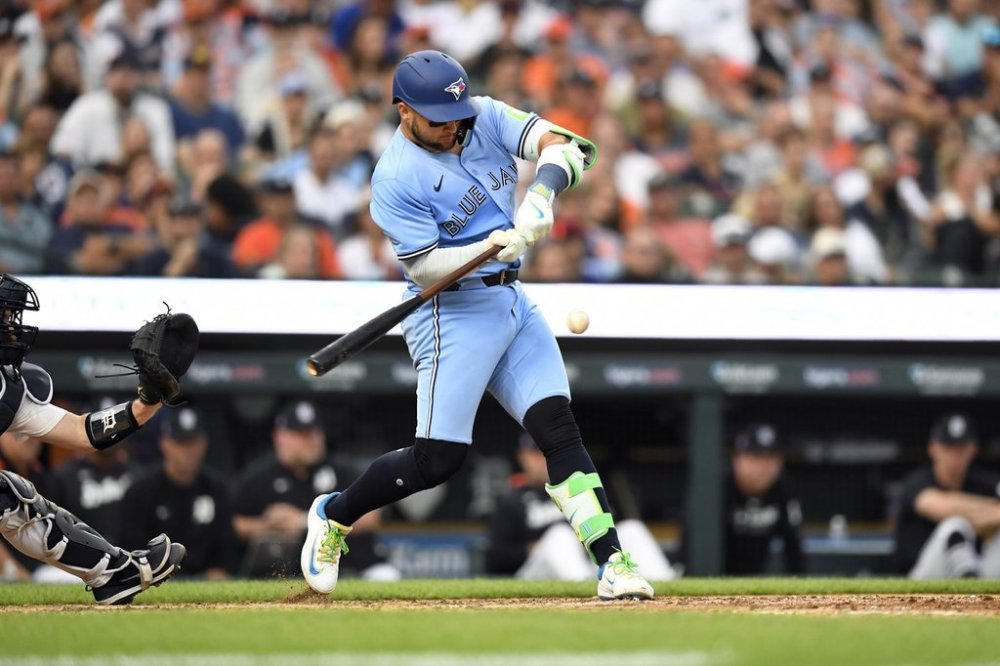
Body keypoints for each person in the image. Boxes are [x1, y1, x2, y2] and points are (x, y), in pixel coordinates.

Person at [301, 50, 653, 600]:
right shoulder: (394, 176)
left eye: (455, 112)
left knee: (557, 428)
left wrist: (542, 192)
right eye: (437, 116)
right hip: (450, 311)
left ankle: (613, 564)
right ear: (403, 112)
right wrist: (488, 245)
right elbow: (424, 266)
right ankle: (334, 515)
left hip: (511, 301)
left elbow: (573, 146)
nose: (452, 125)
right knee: (437, 460)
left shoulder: (482, 115)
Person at [0, 273, 186, 604]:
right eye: (3, 318)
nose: (11, 329)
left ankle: (117, 573)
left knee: (11, 495)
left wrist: (148, 402)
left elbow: (81, 432)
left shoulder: (6, 387)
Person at [233, 399, 395, 580]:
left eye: (312, 433)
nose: (309, 441)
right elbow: (235, 523)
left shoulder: (342, 471)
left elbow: (372, 517)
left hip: (356, 568)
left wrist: (303, 522)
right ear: (279, 437)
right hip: (290, 575)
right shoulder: (259, 477)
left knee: (386, 576)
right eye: (300, 434)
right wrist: (268, 525)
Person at [487, 435, 675, 582]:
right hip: (537, 573)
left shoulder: (580, 490)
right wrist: (532, 549)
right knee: (560, 535)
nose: (544, 458)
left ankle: (668, 584)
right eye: (537, 452)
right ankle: (585, 590)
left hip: (588, 564)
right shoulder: (512, 500)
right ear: (523, 457)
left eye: (547, 452)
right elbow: (496, 557)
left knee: (631, 529)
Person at [120, 405, 236, 579]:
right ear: (164, 444)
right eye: (181, 443)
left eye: (194, 442)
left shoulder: (217, 488)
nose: (188, 451)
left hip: (205, 580)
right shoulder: (141, 491)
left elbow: (226, 544)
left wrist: (220, 569)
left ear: (204, 443)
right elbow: (130, 549)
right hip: (153, 579)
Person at [893, 413, 1000, 579]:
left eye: (961, 448)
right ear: (933, 448)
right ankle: (968, 591)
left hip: (976, 574)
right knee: (955, 525)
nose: (955, 455)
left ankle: (974, 592)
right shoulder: (917, 480)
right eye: (948, 447)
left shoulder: (983, 482)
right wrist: (992, 512)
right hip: (921, 579)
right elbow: (940, 507)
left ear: (973, 449)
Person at [707, 423, 805, 576]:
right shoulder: (717, 486)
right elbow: (696, 543)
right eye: (757, 456)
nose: (764, 466)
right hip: (712, 578)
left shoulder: (784, 487)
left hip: (753, 576)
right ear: (738, 458)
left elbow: (793, 545)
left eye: (772, 457)